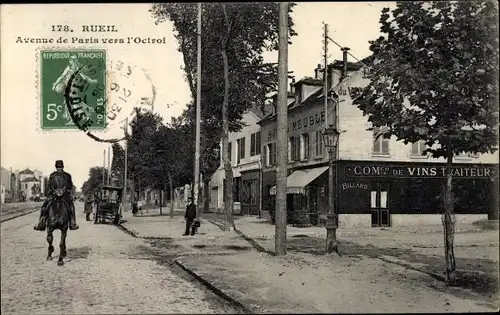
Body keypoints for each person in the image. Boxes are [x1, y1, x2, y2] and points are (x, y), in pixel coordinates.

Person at [34, 160, 79, 231]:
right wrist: (53, 191)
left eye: (60, 167)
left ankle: (73, 223)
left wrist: (65, 189)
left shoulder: (67, 175)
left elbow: (70, 186)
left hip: (64, 195)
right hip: (54, 194)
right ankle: (41, 222)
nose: (59, 168)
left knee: (71, 206)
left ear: (63, 167)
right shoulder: (52, 175)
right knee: (44, 206)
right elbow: (49, 185)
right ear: (56, 167)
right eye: (58, 167)